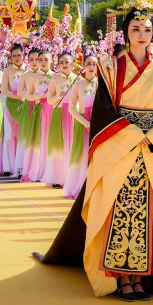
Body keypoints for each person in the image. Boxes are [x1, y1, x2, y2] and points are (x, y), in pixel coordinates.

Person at [82, 8, 153, 301]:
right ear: (125, 33)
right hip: (122, 147)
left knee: (151, 210)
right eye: (136, 29)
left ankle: (142, 277)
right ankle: (121, 276)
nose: (142, 35)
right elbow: (104, 110)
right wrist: (132, 136)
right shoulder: (110, 69)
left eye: (147, 29)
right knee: (119, 208)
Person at [63, 54, 98, 199]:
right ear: (83, 66)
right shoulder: (77, 85)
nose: (91, 67)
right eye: (88, 63)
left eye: (94, 64)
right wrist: (85, 122)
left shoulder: (102, 84)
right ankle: (81, 187)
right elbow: (72, 108)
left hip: (98, 123)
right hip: (84, 123)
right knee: (83, 155)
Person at [42, 52, 78, 188]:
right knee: (57, 145)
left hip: (73, 114)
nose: (64, 64)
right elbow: (49, 100)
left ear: (72, 64)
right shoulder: (55, 79)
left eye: (66, 62)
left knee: (72, 144)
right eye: (61, 62)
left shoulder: (78, 79)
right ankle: (57, 176)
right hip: (58, 113)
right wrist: (57, 96)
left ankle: (70, 177)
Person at [21, 49, 55, 183]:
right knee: (39, 140)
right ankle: (38, 170)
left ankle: (51, 170)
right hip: (39, 110)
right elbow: (28, 96)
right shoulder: (33, 78)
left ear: (52, 61)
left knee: (51, 140)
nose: (43, 62)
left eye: (46, 60)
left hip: (53, 110)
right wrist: (41, 96)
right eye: (41, 60)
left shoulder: (56, 76)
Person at [0, 44, 27, 177]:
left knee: (23, 137)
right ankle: (8, 166)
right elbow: (3, 90)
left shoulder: (29, 71)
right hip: (11, 105)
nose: (16, 58)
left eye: (19, 55)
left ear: (24, 55)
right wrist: (18, 96)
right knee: (9, 135)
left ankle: (22, 166)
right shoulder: (7, 71)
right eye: (14, 55)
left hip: (26, 106)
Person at [15, 48, 41, 180]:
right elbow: (19, 92)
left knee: (39, 136)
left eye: (37, 59)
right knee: (26, 135)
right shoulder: (25, 75)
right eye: (31, 59)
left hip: (42, 107)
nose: (34, 62)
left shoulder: (49, 75)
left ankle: (39, 167)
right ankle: (23, 166)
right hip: (28, 106)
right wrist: (32, 95)